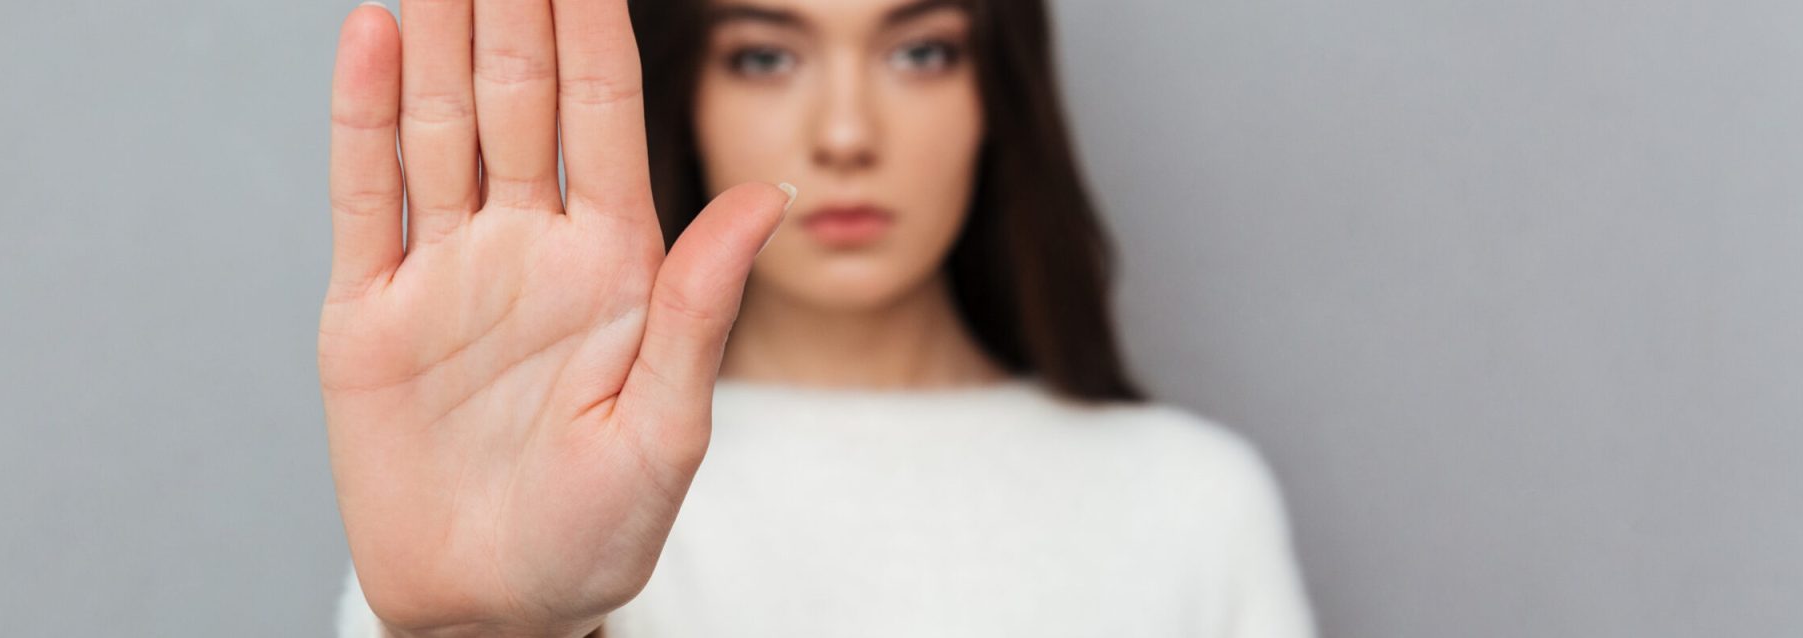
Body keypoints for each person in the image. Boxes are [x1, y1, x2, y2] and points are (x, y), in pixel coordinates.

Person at [317, 0, 1316, 635]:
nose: (845, 133)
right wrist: (499, 633)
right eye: (764, 56)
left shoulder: (1187, 499)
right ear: (687, 93)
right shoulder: (517, 474)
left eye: (919, 50)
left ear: (994, 94)